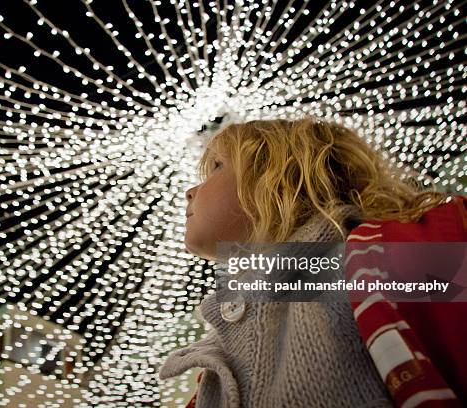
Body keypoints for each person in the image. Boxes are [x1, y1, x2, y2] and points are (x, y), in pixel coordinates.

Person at [158, 117, 466, 407]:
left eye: (215, 167)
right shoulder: (218, 355)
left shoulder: (387, 256)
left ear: (277, 177)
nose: (190, 191)